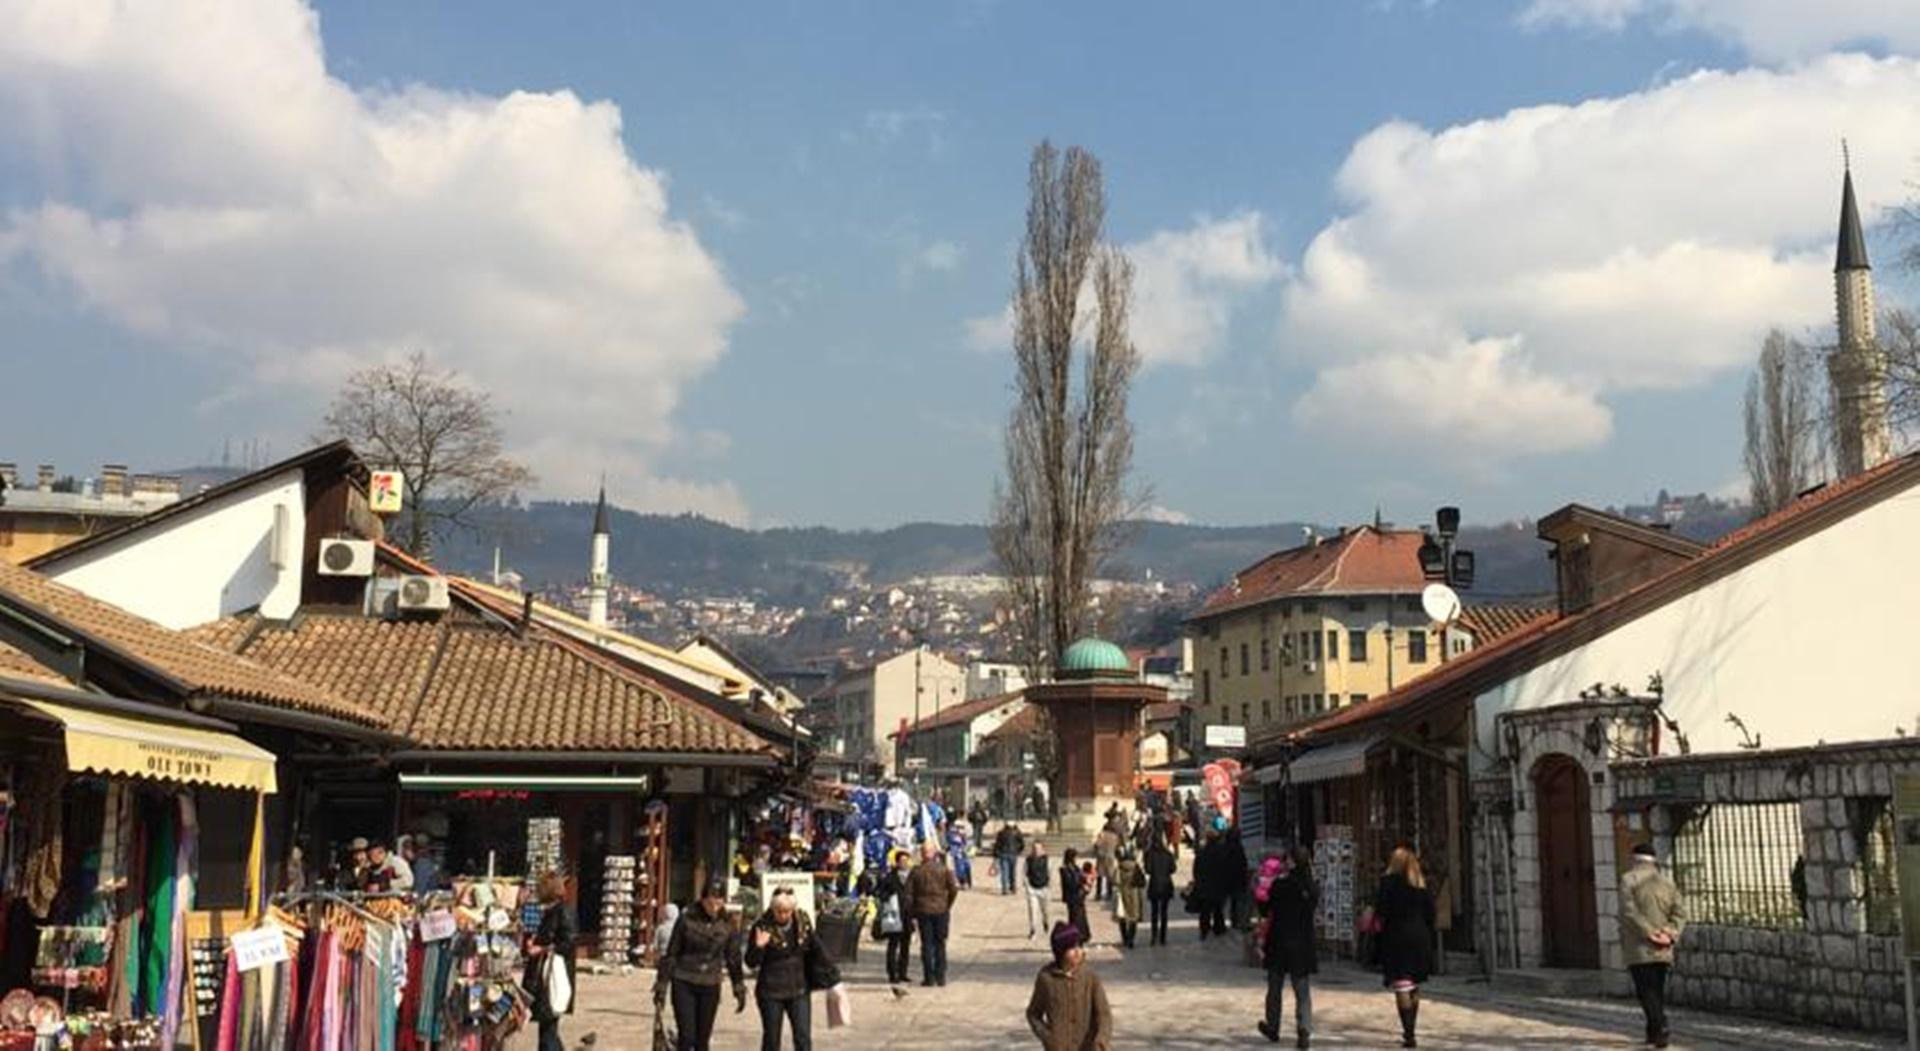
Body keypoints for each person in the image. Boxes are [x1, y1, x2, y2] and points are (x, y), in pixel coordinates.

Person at [655, 880, 747, 1051]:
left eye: (718, 901)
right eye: (710, 902)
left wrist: (738, 985)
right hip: (684, 979)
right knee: (687, 1035)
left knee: (702, 1039)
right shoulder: (687, 919)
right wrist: (662, 983)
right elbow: (672, 953)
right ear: (703, 900)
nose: (714, 906)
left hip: (710, 982)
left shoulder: (727, 923)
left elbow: (733, 957)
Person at [1621, 843, 1685, 1049]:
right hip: (1664, 947)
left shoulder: (1628, 880)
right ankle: (1652, 1031)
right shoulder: (1667, 882)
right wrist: (1670, 933)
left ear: (1634, 859)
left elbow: (1629, 912)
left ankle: (1660, 1027)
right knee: (1656, 989)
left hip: (1639, 946)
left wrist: (1651, 933)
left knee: (1645, 991)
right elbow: (1680, 912)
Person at [745, 886, 822, 1051]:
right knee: (772, 1039)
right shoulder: (762, 926)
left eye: (787, 911)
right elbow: (751, 962)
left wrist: (832, 978)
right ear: (772, 909)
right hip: (771, 990)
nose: (783, 915)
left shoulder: (803, 922)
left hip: (799, 988)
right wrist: (759, 947)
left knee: (803, 1038)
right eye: (779, 911)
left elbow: (817, 949)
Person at [1373, 846, 1436, 1049]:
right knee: (1414, 982)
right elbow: (1431, 914)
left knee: (1402, 983)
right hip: (1420, 937)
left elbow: (1381, 910)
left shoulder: (1388, 883)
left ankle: (1409, 1033)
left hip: (1397, 937)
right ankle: (1412, 1027)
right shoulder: (1420, 884)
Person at [1257, 846, 1318, 1049]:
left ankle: (1273, 1026)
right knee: (1302, 990)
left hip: (1279, 941)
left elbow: (1266, 908)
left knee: (1275, 987)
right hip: (1302, 943)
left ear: (1291, 862)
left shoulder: (1280, 884)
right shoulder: (1310, 887)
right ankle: (1304, 1030)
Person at [1026, 922, 1113, 1051]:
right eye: (1072, 948)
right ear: (1060, 952)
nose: (1078, 951)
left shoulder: (1090, 977)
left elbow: (1104, 1014)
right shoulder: (1046, 979)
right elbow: (1033, 1014)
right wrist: (1048, 1037)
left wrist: (1101, 1041)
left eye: (1079, 946)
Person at [524, 872, 577, 1051]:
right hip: (542, 973)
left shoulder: (563, 911)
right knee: (547, 1027)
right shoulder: (551, 911)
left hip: (552, 974)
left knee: (548, 1027)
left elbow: (568, 941)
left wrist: (543, 948)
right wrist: (535, 943)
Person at [905, 840, 959, 987]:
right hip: (941, 910)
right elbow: (953, 889)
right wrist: (947, 904)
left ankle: (929, 977)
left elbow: (908, 894)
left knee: (927, 944)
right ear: (934, 853)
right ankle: (941, 976)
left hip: (923, 911)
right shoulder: (943, 869)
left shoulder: (916, 871)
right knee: (940, 943)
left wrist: (911, 912)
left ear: (922, 854)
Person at [875, 849, 915, 985]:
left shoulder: (912, 877)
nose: (904, 864)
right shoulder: (890, 877)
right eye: (902, 861)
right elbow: (880, 893)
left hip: (907, 915)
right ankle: (892, 973)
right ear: (897, 862)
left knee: (905, 946)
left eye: (906, 861)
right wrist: (889, 896)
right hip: (894, 916)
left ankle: (903, 972)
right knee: (893, 945)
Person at [1193, 828, 1229, 940]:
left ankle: (1204, 930)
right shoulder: (1221, 852)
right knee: (1218, 909)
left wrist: (1198, 881)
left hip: (1204, 886)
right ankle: (1219, 929)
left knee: (1205, 911)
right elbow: (1224, 870)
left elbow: (1196, 870)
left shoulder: (1202, 853)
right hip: (1218, 886)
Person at [1144, 835, 1176, 947]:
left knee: (1154, 912)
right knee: (1164, 912)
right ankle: (1163, 937)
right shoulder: (1168, 854)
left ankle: (1153, 936)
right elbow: (1173, 869)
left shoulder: (1150, 855)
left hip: (1154, 885)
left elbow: (1147, 870)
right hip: (1166, 885)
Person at [1112, 845, 1145, 950]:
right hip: (1134, 893)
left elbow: (1114, 881)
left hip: (1122, 893)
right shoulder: (1136, 867)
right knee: (1133, 917)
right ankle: (1131, 939)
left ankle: (1125, 938)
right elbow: (1142, 882)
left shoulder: (1119, 868)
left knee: (1123, 916)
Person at [1060, 848, 1091, 945]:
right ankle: (1075, 937)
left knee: (1081, 918)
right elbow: (1070, 883)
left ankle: (1082, 936)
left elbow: (1080, 876)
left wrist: (1086, 880)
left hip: (1079, 896)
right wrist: (1082, 882)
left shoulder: (1075, 867)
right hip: (1072, 897)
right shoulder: (1064, 869)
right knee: (1075, 918)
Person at [1223, 826, 1251, 931]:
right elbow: (1242, 864)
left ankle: (1233, 920)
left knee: (1230, 901)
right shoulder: (1238, 848)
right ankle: (1239, 921)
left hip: (1227, 878)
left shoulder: (1224, 847)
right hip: (1238, 879)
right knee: (1239, 900)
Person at [1024, 840, 1052, 939]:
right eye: (1034, 848)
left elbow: (1049, 873)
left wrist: (1049, 886)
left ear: (1042, 849)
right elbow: (1025, 873)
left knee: (1045, 910)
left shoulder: (1047, 859)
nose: (1036, 850)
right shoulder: (1028, 860)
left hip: (1044, 888)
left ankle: (1046, 921)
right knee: (1032, 910)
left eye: (1038, 848)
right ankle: (1033, 930)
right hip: (1032, 889)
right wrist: (1027, 886)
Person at [994, 823, 1027, 896]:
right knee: (1012, 871)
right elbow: (1022, 844)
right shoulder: (1017, 832)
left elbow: (997, 844)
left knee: (1004, 872)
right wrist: (1018, 851)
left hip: (1003, 853)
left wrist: (996, 854)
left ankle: (1005, 888)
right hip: (1013, 854)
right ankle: (1013, 887)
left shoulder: (1001, 832)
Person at [1093, 824, 1119, 903]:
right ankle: (1109, 894)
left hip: (1101, 856)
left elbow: (1096, 845)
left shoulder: (1101, 835)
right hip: (1110, 857)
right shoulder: (1115, 836)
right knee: (1109, 876)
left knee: (1099, 876)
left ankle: (1098, 893)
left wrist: (1097, 851)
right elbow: (1117, 847)